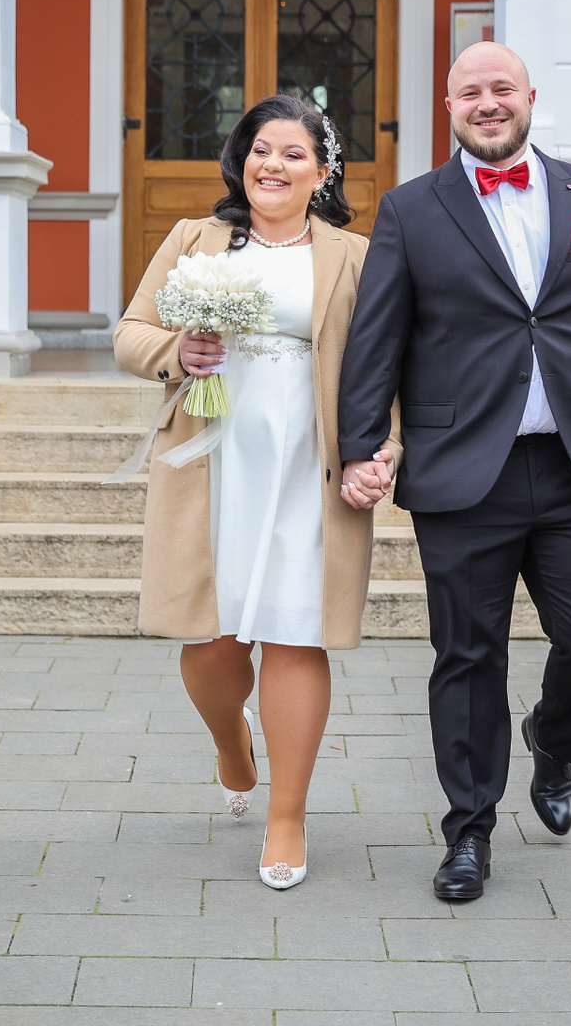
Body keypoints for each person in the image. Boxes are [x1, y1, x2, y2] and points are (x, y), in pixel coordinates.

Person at [338, 41, 571, 902]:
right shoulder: (411, 210)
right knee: (467, 654)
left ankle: (554, 740)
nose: (487, 103)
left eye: (501, 89)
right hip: (461, 470)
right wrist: (361, 446)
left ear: (529, 96)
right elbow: (376, 340)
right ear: (449, 105)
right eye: (470, 92)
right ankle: (469, 832)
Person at [117, 93, 396, 890]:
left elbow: (387, 367)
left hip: (311, 463)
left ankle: (287, 816)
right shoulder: (194, 238)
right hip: (216, 457)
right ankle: (230, 742)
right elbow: (131, 334)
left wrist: (385, 452)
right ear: (241, 160)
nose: (272, 164)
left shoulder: (355, 255)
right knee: (210, 646)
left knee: (295, 632)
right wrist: (179, 351)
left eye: (293, 153)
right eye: (260, 149)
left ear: (322, 170)